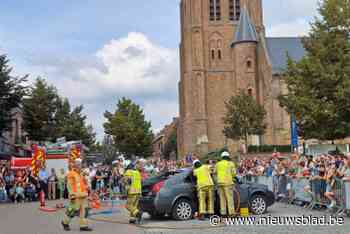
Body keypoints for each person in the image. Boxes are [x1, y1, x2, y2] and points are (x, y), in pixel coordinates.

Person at [61, 158, 92, 232]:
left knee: (85, 211)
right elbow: (69, 185)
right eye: (79, 164)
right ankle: (65, 223)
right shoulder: (71, 173)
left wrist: (87, 188)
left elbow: (82, 184)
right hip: (75, 196)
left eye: (81, 164)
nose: (81, 166)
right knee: (72, 211)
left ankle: (83, 226)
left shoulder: (81, 174)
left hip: (83, 195)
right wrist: (72, 195)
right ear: (76, 165)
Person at [215, 151, 237, 217]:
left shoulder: (218, 164)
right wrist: (232, 177)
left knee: (222, 199)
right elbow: (234, 173)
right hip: (228, 183)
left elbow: (215, 172)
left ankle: (223, 213)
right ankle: (231, 213)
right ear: (228, 157)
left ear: (222, 157)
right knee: (229, 198)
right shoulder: (230, 163)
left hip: (219, 183)